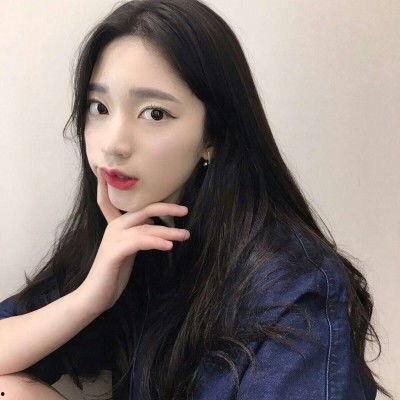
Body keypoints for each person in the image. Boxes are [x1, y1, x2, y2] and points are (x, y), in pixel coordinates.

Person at [0, 0, 392, 399]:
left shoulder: (292, 287)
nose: (113, 144)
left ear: (212, 136)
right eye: (99, 107)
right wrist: (90, 299)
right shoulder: (125, 241)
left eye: (154, 114)